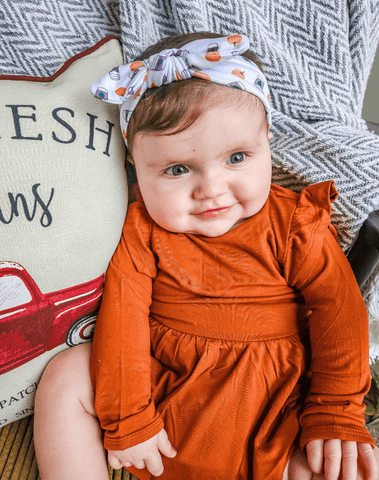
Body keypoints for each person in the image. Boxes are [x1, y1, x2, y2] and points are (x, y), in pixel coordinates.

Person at [34, 31, 379, 480]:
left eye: (237, 157)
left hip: (280, 410)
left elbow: (339, 309)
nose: (212, 189)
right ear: (136, 168)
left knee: (348, 464)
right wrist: (129, 415)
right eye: (178, 169)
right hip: (164, 412)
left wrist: (335, 408)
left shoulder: (295, 221)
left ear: (267, 144)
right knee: (67, 375)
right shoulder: (143, 229)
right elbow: (124, 317)